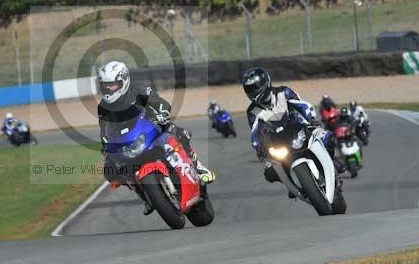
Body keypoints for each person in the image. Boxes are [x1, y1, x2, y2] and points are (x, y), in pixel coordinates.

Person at [97, 61, 215, 215]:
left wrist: (162, 113)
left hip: (150, 128)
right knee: (110, 170)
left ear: (124, 81)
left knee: (178, 132)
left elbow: (160, 103)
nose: (108, 89)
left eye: (112, 85)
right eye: (105, 85)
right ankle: (144, 195)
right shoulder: (103, 107)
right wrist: (105, 144)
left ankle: (197, 165)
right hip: (127, 141)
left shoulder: (139, 90)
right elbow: (104, 129)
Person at [242, 67, 343, 184]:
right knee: (270, 172)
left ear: (265, 82)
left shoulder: (283, 92)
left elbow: (302, 105)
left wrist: (312, 118)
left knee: (326, 137)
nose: (254, 91)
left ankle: (333, 165)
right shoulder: (252, 112)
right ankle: (291, 183)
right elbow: (255, 132)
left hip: (299, 127)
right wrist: (259, 147)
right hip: (277, 141)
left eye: (256, 87)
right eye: (250, 89)